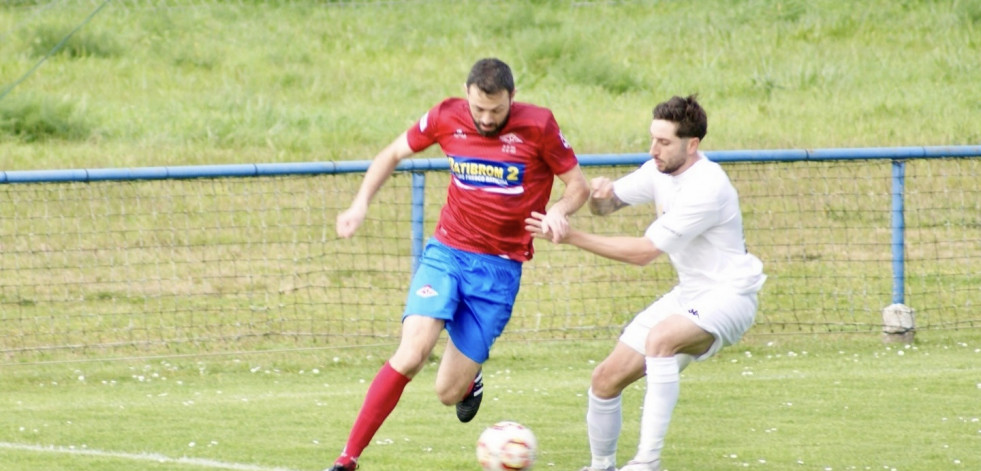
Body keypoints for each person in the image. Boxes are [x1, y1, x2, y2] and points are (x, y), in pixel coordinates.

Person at [330, 57, 589, 471]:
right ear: (466, 94)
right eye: (479, 109)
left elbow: (578, 185)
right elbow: (392, 153)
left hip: (499, 270)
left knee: (447, 392)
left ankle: (470, 380)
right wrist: (359, 204)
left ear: (512, 98)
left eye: (496, 110)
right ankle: (347, 459)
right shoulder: (446, 115)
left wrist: (560, 210)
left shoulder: (539, 125)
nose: (486, 119)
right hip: (447, 253)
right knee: (412, 352)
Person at [525, 95, 766, 471]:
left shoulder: (707, 186)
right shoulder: (658, 169)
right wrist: (600, 197)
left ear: (692, 145)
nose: (654, 149)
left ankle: (647, 463)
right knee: (604, 379)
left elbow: (643, 253)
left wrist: (572, 236)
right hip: (690, 294)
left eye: (664, 142)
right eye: (652, 139)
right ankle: (601, 466)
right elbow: (608, 205)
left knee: (660, 341)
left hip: (730, 295)